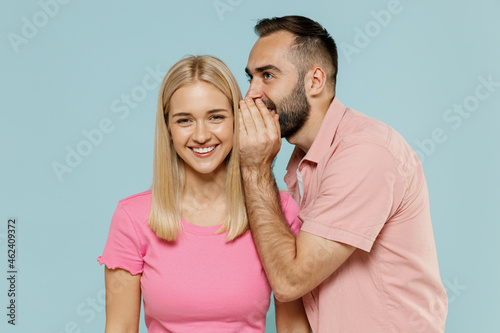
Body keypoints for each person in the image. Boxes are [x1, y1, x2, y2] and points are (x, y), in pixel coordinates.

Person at [239, 15, 448, 332]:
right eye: (250, 78)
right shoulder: (302, 162)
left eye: (267, 76)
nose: (252, 94)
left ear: (315, 81)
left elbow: (290, 280)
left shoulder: (365, 152)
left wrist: (254, 169)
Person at [97, 55, 310, 332]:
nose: (201, 135)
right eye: (185, 120)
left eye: (216, 117)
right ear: (169, 130)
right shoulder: (132, 218)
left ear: (237, 119)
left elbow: (293, 327)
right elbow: (120, 328)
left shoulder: (279, 212)